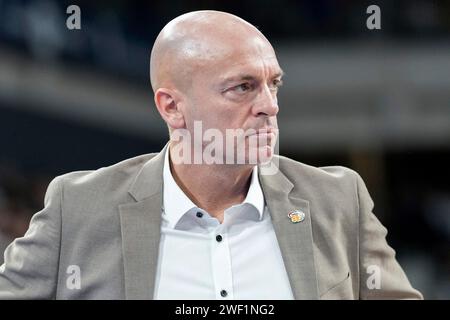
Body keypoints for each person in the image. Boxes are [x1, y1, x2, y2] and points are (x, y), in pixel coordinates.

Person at [0, 10, 422, 300]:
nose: (269, 105)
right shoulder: (79, 207)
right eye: (242, 87)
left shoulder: (338, 200)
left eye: (273, 84)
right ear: (171, 106)